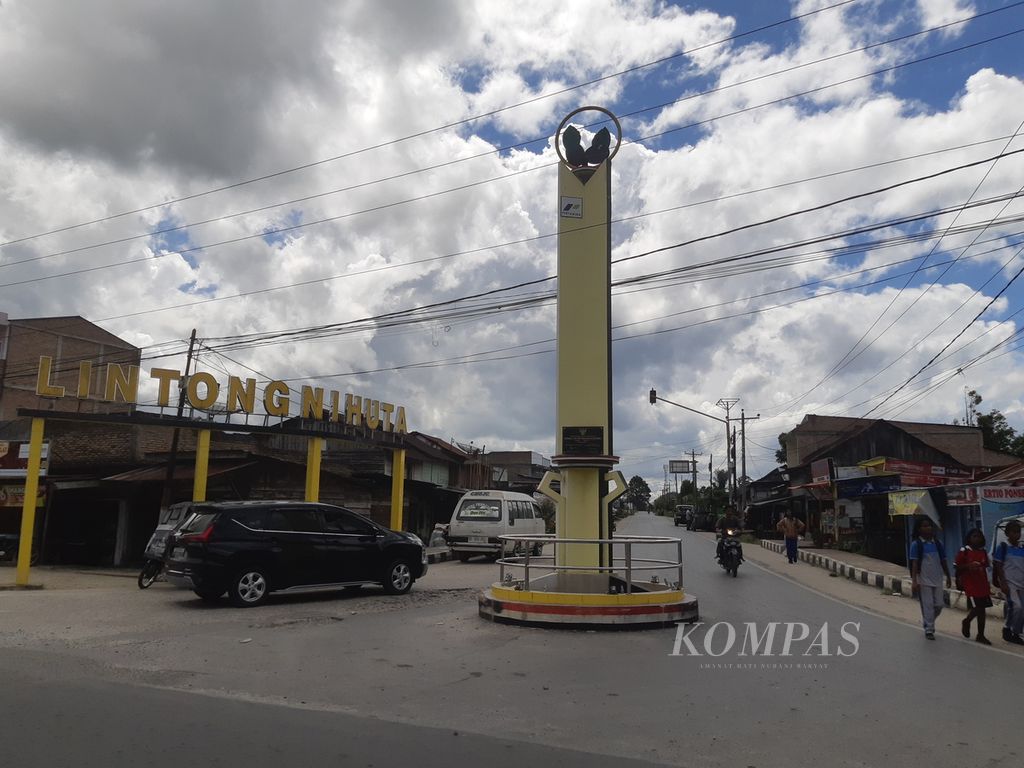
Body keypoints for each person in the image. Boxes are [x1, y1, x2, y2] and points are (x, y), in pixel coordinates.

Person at [909, 517, 951, 640]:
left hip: (937, 578)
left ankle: (928, 621)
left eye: (929, 526)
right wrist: (914, 581)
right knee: (928, 605)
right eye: (924, 526)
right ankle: (929, 629)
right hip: (923, 579)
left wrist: (948, 576)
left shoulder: (938, 544)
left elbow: (943, 561)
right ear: (919, 529)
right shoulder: (916, 544)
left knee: (939, 604)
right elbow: (915, 563)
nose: (928, 528)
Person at [954, 528, 992, 645]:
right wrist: (969, 566)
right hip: (970, 584)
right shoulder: (965, 551)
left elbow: (986, 565)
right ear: (969, 538)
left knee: (983, 609)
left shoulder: (983, 552)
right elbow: (957, 566)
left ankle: (981, 634)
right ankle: (967, 621)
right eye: (974, 536)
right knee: (978, 607)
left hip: (982, 584)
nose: (977, 539)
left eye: (979, 536)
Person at [992, 519, 1024, 645]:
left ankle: (1016, 633)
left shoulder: (1022, 548)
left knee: (1022, 610)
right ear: (1007, 533)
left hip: (1021, 582)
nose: (1016, 535)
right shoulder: (1003, 547)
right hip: (1009, 583)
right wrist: (1003, 583)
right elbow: (998, 565)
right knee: (1016, 607)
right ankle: (1007, 628)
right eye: (1014, 532)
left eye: (1018, 532)